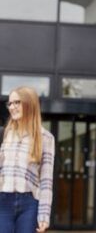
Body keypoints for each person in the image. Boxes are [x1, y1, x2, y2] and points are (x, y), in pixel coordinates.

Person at [0, 86, 55, 233]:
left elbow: (46, 180)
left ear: (29, 104)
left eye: (17, 102)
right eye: (10, 103)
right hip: (3, 201)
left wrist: (44, 215)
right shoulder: (4, 134)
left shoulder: (45, 138)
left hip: (29, 204)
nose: (12, 107)